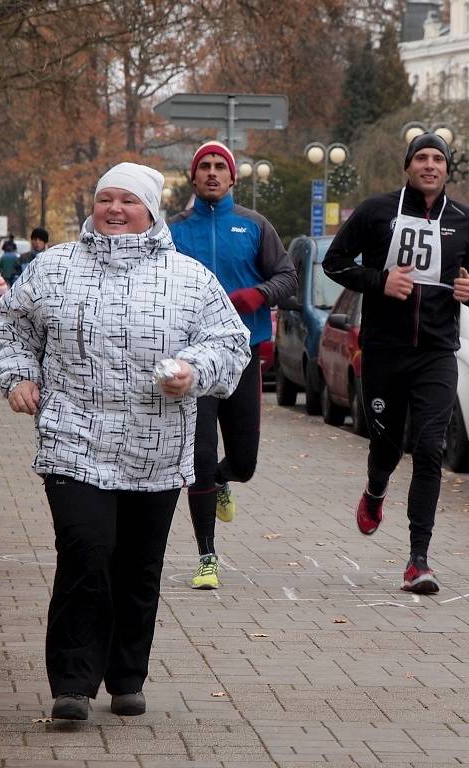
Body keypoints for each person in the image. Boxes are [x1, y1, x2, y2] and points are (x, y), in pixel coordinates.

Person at [0, 162, 251, 722]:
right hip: (73, 439)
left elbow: (230, 342)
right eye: (105, 198)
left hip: (154, 448)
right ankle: (72, 684)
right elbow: (11, 324)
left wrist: (192, 370)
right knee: (86, 552)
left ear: (152, 211)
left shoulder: (190, 277)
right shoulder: (53, 268)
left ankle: (127, 676)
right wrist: (18, 378)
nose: (114, 209)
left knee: (137, 565)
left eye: (128, 201)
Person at [323, 132, 469, 594]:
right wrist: (379, 281)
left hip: (437, 352)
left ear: (446, 168)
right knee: (388, 445)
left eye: (438, 158)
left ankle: (418, 560)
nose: (430, 165)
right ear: (408, 166)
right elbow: (334, 262)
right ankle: (376, 489)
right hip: (384, 350)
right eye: (422, 157)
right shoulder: (377, 211)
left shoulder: (465, 220)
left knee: (430, 448)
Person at [168, 141, 296, 590]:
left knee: (242, 462)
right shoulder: (173, 231)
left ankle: (225, 480)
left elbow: (287, 276)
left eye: (220, 166)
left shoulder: (254, 225)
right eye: (204, 166)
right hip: (194, 362)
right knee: (200, 459)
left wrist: (257, 295)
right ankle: (207, 556)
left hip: (244, 357)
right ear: (193, 176)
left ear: (233, 177)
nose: (212, 173)